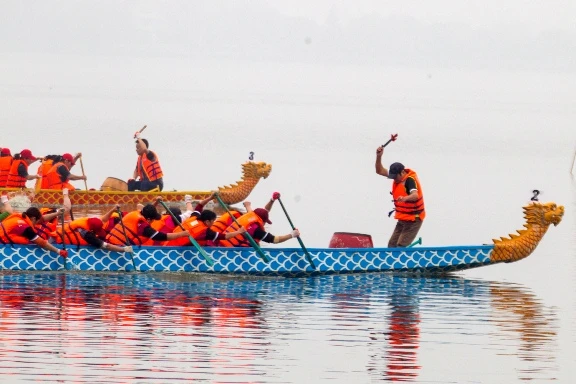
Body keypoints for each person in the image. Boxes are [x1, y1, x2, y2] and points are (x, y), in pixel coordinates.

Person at [375, 147, 425, 247]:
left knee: (401, 246)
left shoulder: (409, 180)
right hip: (403, 218)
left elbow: (415, 195)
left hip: (414, 220)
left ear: (402, 173)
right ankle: (390, 262)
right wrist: (378, 156)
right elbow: (379, 171)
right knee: (391, 245)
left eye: (395, 177)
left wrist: (405, 198)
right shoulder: (396, 176)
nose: (394, 179)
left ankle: (405, 261)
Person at [217, 199, 300, 247]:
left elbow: (256, 210)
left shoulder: (249, 217)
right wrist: (292, 235)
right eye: (265, 222)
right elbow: (274, 240)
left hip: (220, 246)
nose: (264, 225)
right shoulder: (256, 229)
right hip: (231, 252)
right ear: (262, 221)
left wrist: (272, 200)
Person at [52, 206, 133, 253]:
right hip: (57, 243)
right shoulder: (86, 234)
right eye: (96, 232)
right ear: (92, 231)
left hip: (55, 236)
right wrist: (124, 249)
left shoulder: (87, 221)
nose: (96, 234)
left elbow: (103, 220)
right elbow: (106, 246)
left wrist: (112, 210)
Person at [105, 203, 188, 246]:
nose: (153, 222)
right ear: (148, 219)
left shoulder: (135, 213)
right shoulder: (143, 226)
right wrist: (182, 234)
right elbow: (160, 237)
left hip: (109, 242)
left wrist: (156, 201)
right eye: (153, 220)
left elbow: (141, 206)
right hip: (118, 248)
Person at [0, 207, 68, 258]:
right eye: (36, 222)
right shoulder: (25, 228)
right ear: (33, 218)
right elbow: (42, 243)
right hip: (3, 248)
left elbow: (42, 219)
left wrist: (57, 213)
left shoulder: (21, 217)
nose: (36, 224)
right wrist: (59, 251)